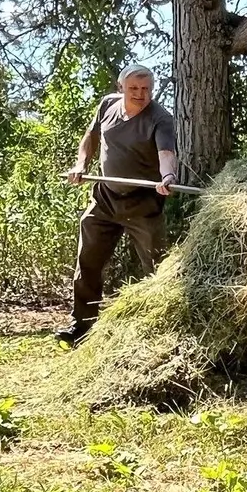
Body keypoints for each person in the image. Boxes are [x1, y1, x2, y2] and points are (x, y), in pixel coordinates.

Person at [57, 64, 179, 346]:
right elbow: (91, 136)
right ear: (121, 87)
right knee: (87, 262)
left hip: (142, 203)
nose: (140, 94)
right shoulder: (107, 105)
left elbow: (166, 153)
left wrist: (168, 177)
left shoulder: (160, 118)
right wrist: (81, 164)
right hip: (105, 199)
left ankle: (163, 331)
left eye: (146, 89)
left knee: (157, 267)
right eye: (134, 88)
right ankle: (82, 326)